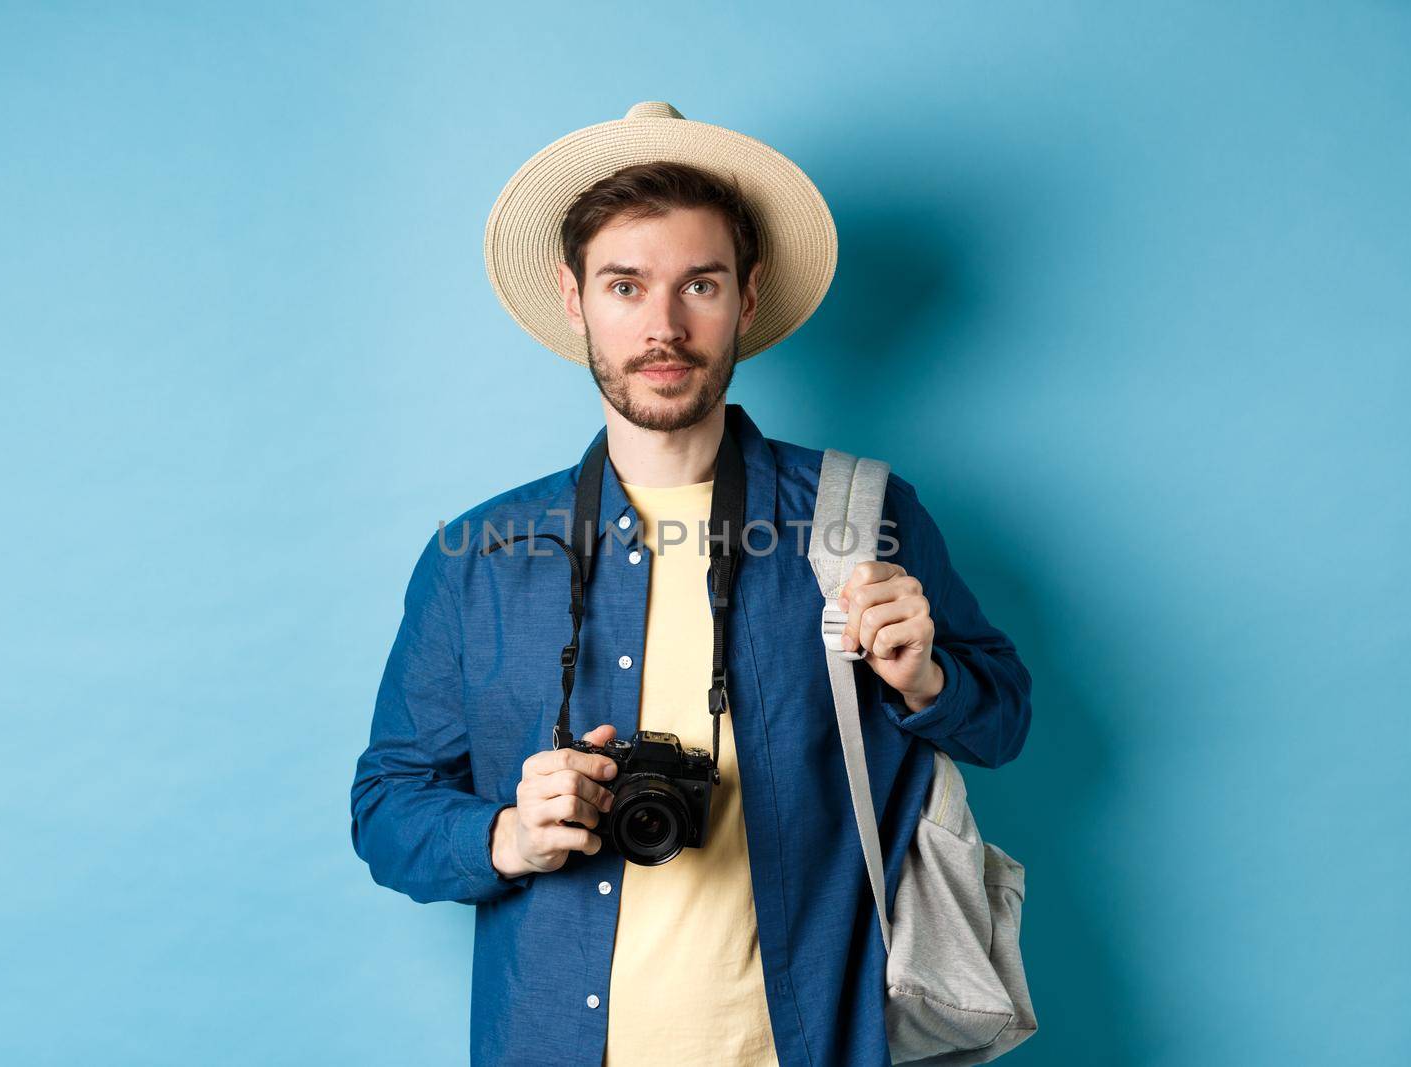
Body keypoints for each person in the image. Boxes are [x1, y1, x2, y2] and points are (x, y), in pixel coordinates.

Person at [350, 101, 1032, 1067]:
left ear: (747, 298)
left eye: (698, 285)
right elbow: (387, 806)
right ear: (575, 296)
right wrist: (508, 831)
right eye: (626, 285)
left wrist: (925, 678)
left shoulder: (861, 517)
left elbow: (1002, 722)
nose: (663, 326)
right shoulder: (481, 556)